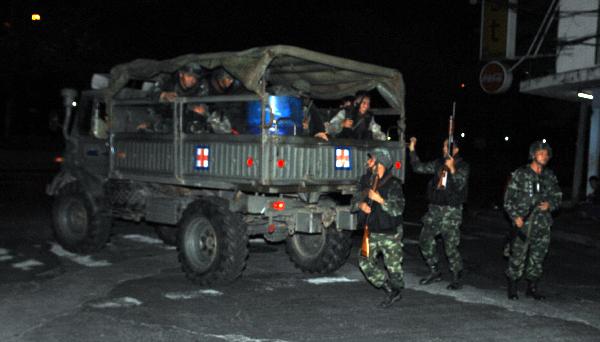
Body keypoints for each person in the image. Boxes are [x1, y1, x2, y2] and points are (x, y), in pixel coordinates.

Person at [408, 136, 469, 290]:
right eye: (443, 146)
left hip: (451, 212)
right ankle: (435, 271)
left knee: (450, 247)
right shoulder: (438, 164)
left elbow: (460, 184)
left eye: (446, 147)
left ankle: (457, 276)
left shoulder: (463, 166)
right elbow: (418, 167)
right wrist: (412, 150)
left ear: (455, 150)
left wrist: (453, 168)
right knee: (425, 239)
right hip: (435, 210)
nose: (443, 149)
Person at [504, 141, 562, 300]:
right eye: (541, 153)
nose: (544, 156)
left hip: (542, 223)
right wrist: (515, 217)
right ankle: (513, 288)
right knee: (518, 256)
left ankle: (532, 288)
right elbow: (508, 200)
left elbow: (558, 197)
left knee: (538, 256)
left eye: (546, 154)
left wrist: (550, 205)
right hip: (523, 223)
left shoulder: (549, 176)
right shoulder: (520, 174)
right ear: (533, 155)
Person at [353, 147, 405, 308]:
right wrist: (360, 205)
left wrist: (381, 200)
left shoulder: (394, 184)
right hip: (371, 232)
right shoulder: (365, 180)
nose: (368, 162)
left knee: (394, 269)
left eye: (371, 159)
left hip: (390, 234)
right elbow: (353, 201)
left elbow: (398, 209)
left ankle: (397, 288)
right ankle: (388, 288)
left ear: (380, 163)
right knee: (364, 261)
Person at [314, 92, 386, 141]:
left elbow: (377, 131)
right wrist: (341, 124)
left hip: (360, 148)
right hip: (342, 147)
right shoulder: (345, 113)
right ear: (356, 103)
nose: (366, 106)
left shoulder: (368, 117)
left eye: (368, 103)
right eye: (364, 103)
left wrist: (380, 137)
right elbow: (328, 129)